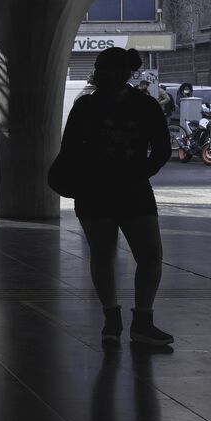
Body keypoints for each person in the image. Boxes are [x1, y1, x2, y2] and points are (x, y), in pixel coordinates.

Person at [58, 47, 174, 348]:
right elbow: (160, 149)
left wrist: (137, 173)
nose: (98, 72)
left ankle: (121, 319)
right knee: (120, 254)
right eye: (98, 67)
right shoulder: (135, 106)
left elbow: (162, 148)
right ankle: (131, 320)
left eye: (104, 67)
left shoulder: (95, 107)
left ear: (124, 72)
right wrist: (140, 171)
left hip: (109, 191)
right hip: (115, 191)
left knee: (132, 255)